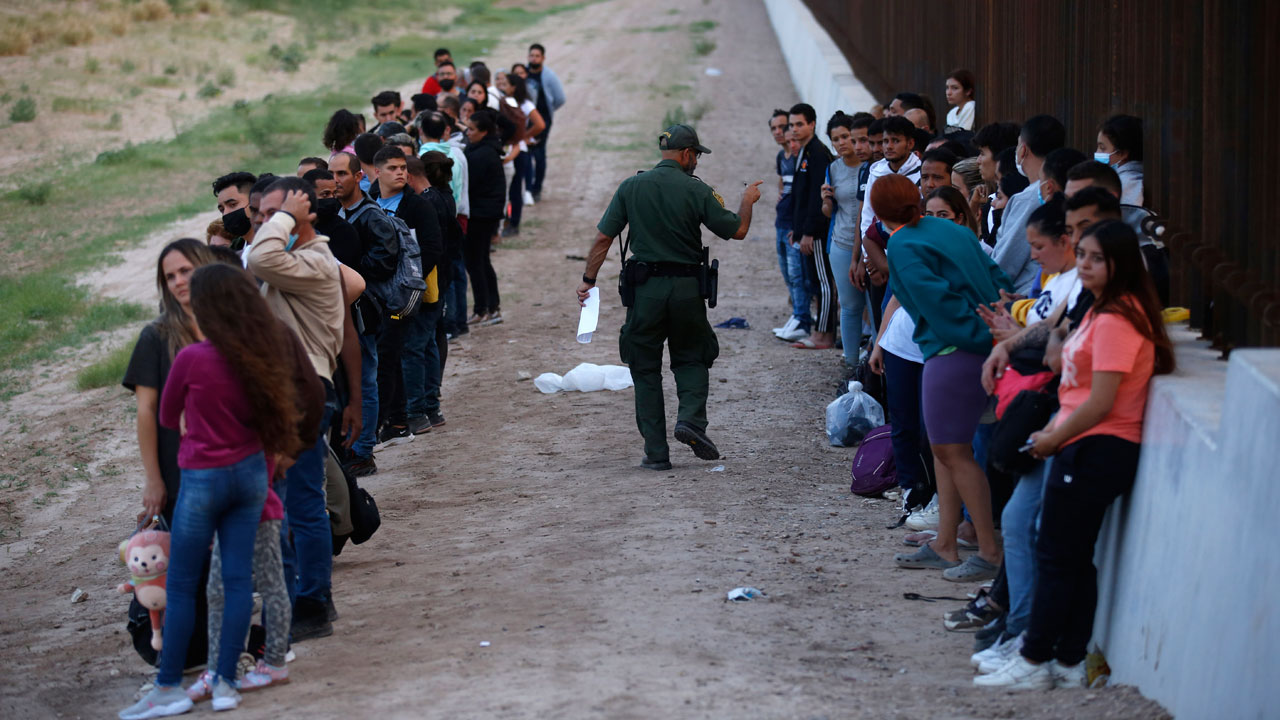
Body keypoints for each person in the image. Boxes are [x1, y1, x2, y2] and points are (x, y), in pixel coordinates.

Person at [976, 220, 1173, 690]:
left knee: (1056, 554)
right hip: (1083, 442)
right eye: (1082, 255)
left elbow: (1102, 402)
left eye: (1096, 258)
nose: (1084, 265)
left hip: (1094, 446)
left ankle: (1035, 656)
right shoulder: (1103, 312)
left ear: (1120, 264)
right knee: (1071, 556)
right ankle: (1066, 659)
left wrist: (1052, 438)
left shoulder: (1118, 319)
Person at [117, 262, 306, 719]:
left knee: (182, 585)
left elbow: (166, 416)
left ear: (204, 307)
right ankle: (225, 681)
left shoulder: (193, 357)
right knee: (240, 581)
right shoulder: (260, 355)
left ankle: (167, 688)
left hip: (203, 476)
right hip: (250, 478)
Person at [576, 124, 762, 470]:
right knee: (692, 357)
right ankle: (691, 420)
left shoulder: (631, 186)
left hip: (644, 291)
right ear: (687, 154)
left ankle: (656, 453)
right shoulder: (697, 190)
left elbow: (603, 238)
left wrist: (588, 280)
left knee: (645, 369)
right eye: (696, 156)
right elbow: (737, 230)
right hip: (687, 290)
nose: (697, 163)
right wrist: (746, 201)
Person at [872, 174, 1012, 583]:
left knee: (953, 452)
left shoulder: (901, 242)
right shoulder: (949, 228)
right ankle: (945, 543)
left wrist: (975, 336)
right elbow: (996, 276)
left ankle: (988, 551)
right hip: (977, 344)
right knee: (945, 449)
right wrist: (998, 329)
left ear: (880, 214)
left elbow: (937, 302)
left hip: (952, 351)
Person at [246, 178, 346, 640]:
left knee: (302, 504)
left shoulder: (315, 263)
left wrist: (289, 214)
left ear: (302, 214)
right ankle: (301, 601)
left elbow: (259, 257)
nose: (266, 224)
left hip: (304, 394)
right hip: (285, 394)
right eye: (262, 216)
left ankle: (313, 603)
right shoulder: (290, 263)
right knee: (287, 503)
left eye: (274, 214)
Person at [332, 152, 399, 477]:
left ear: (358, 176)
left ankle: (363, 451)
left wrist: (351, 269)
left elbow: (386, 259)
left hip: (365, 310)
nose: (336, 180)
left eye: (342, 174)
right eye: (332, 174)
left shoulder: (371, 215)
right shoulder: (341, 214)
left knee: (365, 378)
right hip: (346, 310)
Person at [370, 145, 443, 441]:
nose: (400, 172)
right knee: (396, 352)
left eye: (402, 167)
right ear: (377, 173)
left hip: (418, 291)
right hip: (384, 295)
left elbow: (433, 248)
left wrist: (409, 282)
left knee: (413, 349)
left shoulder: (418, 205)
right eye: (392, 168)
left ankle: (418, 413)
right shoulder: (371, 203)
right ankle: (409, 413)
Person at [993, 115, 1065, 294]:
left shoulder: (1029, 198)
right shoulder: (1057, 188)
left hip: (1022, 296)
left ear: (1023, 150)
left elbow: (1005, 264)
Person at [820, 111, 869, 367]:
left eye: (845, 136)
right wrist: (825, 200)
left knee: (873, 306)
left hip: (870, 246)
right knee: (849, 306)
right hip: (840, 244)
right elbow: (828, 213)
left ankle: (874, 362)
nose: (841, 143)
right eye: (835, 139)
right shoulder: (832, 168)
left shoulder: (871, 167)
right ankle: (850, 363)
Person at [786, 102, 836, 350]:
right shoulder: (805, 152)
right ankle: (821, 331)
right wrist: (797, 227)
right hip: (805, 230)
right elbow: (801, 196)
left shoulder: (817, 154)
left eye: (799, 124)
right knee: (813, 282)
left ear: (812, 124)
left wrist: (808, 232)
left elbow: (818, 199)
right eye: (791, 125)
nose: (793, 130)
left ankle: (824, 336)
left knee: (823, 283)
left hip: (817, 233)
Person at [417, 111, 471, 336]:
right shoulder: (456, 153)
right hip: (456, 214)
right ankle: (460, 320)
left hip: (439, 219)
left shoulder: (423, 157)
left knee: (443, 274)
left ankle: (449, 322)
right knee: (457, 270)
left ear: (420, 131)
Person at [463, 109, 507, 326]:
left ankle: (484, 309)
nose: (467, 132)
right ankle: (489, 307)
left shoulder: (483, 154)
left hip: (482, 214)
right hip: (484, 212)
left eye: (471, 129)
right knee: (480, 260)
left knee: (476, 261)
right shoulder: (483, 149)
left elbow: (470, 184)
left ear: (484, 132)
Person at [770, 109, 810, 342]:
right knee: (787, 272)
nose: (779, 132)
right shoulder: (781, 157)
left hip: (794, 224)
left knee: (797, 274)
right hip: (781, 220)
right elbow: (782, 184)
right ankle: (798, 315)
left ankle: (802, 318)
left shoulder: (800, 156)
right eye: (774, 128)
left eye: (782, 127)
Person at [495, 71, 545, 237]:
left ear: (514, 87)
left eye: (506, 84)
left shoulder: (524, 104)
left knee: (515, 189)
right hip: (513, 148)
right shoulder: (508, 102)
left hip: (519, 151)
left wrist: (523, 136)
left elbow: (540, 124)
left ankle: (514, 223)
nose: (503, 86)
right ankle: (509, 221)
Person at [524, 43, 567, 202]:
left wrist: (548, 112)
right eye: (531, 55)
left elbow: (560, 99)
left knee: (539, 154)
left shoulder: (549, 75)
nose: (533, 58)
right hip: (525, 122)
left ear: (543, 58)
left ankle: (537, 188)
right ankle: (526, 188)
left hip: (543, 122)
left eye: (537, 56)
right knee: (525, 154)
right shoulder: (524, 74)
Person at [1097, 114, 1143, 206]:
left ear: (1122, 153)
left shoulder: (1128, 183)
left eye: (1102, 148)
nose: (1097, 152)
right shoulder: (1120, 178)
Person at [945, 69, 976, 133]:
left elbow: (963, 133)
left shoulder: (970, 106)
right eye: (947, 87)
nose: (948, 93)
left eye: (955, 88)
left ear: (968, 91)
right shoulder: (952, 113)